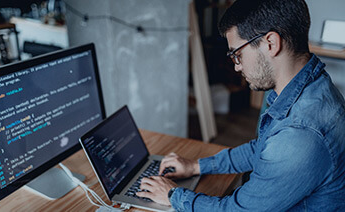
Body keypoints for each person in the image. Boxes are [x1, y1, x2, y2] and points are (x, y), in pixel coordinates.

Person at [136, 0, 345, 211]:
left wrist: (173, 195)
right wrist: (196, 166)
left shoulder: (300, 132)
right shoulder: (313, 87)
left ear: (270, 43)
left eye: (237, 54)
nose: (237, 67)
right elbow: (263, 150)